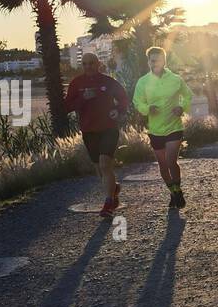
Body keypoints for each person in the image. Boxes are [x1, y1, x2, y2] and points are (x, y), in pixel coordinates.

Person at [64, 52, 129, 218]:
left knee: (105, 164)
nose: (88, 66)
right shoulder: (76, 83)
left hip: (109, 128)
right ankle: (114, 189)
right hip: (88, 131)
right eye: (85, 64)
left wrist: (118, 111)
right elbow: (66, 107)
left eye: (91, 63)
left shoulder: (108, 82)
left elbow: (123, 99)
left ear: (98, 63)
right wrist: (83, 99)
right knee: (99, 169)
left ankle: (107, 204)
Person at [133, 46, 193, 209]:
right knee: (163, 165)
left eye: (158, 60)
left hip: (174, 127)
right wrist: (147, 109)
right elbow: (138, 101)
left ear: (164, 60)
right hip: (155, 129)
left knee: (171, 160)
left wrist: (181, 107)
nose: (155, 63)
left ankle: (178, 191)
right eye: (152, 60)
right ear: (149, 62)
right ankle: (174, 191)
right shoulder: (143, 82)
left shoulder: (175, 79)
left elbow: (187, 96)